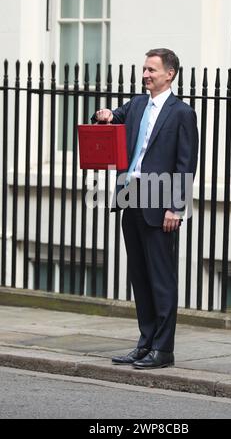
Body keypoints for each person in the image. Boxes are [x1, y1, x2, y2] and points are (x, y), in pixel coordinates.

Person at [92, 48, 198, 369]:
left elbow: (185, 164)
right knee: (139, 276)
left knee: (161, 279)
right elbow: (115, 117)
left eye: (152, 70)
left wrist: (175, 208)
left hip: (160, 203)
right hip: (131, 197)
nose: (145, 75)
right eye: (144, 69)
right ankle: (146, 343)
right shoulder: (137, 104)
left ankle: (163, 350)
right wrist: (106, 114)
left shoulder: (182, 113)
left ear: (170, 74)